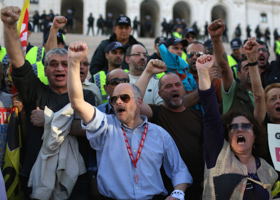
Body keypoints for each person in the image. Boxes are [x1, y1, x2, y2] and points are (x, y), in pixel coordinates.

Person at [67, 41, 193, 199]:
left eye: (125, 98)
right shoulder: (105, 126)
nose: (118, 102)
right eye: (114, 99)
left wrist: (178, 193)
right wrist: (73, 62)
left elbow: (179, 170)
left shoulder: (159, 134)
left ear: (139, 102)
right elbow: (77, 103)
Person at [1, 6, 96, 199]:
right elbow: (17, 60)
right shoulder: (35, 90)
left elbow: (88, 129)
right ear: (45, 71)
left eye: (65, 63)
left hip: (76, 179)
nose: (59, 68)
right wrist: (9, 26)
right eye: (53, 64)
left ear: (73, 69)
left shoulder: (86, 97)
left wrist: (48, 120)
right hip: (34, 174)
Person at [196, 52, 277, 199]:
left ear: (255, 134)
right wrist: (203, 73)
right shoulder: (218, 154)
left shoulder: (268, 170)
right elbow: (211, 114)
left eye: (245, 126)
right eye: (233, 127)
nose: (239, 129)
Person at [135, 66, 204, 199]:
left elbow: (204, 149)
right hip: (165, 190)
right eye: (168, 86)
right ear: (160, 94)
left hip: (196, 186)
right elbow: (133, 100)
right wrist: (148, 72)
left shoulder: (196, 116)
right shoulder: (155, 114)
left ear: (183, 89)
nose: (174, 88)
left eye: (178, 85)